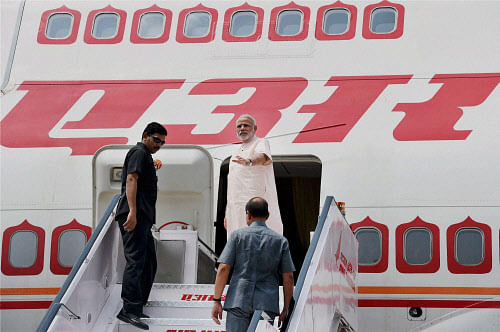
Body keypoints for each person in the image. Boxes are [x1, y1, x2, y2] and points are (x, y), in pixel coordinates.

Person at [212, 197, 295, 332]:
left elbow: (223, 268)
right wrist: (286, 308)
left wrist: (216, 300)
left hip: (238, 300)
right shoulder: (281, 241)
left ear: (248, 215)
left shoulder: (237, 236)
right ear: (267, 216)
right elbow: (288, 277)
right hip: (266, 303)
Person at [115, 122, 167, 330]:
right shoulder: (138, 152)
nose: (159, 145)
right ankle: (129, 309)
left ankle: (137, 305)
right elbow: (131, 179)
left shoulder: (147, 156)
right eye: (156, 140)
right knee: (136, 261)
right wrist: (133, 212)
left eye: (162, 142)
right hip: (134, 216)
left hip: (144, 218)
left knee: (149, 262)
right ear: (145, 135)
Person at [225, 114, 283, 238]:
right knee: (237, 238)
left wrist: (250, 161)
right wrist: (227, 213)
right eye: (239, 126)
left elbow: (263, 157)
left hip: (255, 203)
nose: (242, 128)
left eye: (246, 125)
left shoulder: (260, 142)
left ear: (255, 128)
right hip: (236, 206)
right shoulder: (236, 150)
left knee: (256, 238)